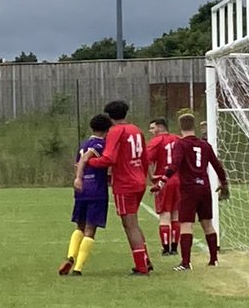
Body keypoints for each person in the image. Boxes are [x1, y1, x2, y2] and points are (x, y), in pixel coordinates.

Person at [82, 100, 153, 275]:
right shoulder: (136, 129)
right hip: (138, 181)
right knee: (134, 223)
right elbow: (145, 158)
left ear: (109, 116)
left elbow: (109, 159)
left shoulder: (115, 131)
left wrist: (88, 162)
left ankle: (141, 266)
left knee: (130, 225)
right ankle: (145, 260)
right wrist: (148, 177)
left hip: (125, 183)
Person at [153, 113, 230, 270]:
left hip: (189, 189)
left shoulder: (181, 144)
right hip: (204, 188)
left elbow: (174, 165)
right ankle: (214, 259)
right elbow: (217, 166)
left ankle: (186, 263)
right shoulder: (205, 145)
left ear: (180, 127)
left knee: (186, 225)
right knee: (207, 223)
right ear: (194, 126)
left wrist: (161, 182)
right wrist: (224, 184)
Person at [60, 114, 111, 276]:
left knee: (80, 226)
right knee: (90, 229)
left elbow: (77, 163)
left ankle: (70, 256)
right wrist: (79, 177)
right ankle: (78, 268)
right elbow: (84, 159)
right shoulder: (100, 144)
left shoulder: (83, 143)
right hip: (96, 190)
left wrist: (78, 180)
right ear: (107, 129)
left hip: (81, 191)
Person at [146, 118, 182, 256]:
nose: (151, 131)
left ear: (160, 128)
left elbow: (147, 160)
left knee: (164, 215)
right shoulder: (178, 139)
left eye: (152, 128)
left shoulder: (156, 141)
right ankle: (174, 248)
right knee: (176, 215)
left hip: (163, 179)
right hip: (179, 180)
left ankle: (166, 248)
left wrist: (151, 177)